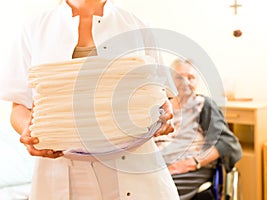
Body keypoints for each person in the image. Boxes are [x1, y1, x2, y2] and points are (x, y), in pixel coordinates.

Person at [0, 0, 180, 199]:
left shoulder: (137, 25)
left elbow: (162, 97)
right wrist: (28, 131)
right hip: (61, 169)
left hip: (135, 168)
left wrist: (164, 114)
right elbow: (19, 106)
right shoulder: (35, 29)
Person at [155, 59, 242, 200]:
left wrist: (191, 163)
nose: (185, 82)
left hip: (185, 172)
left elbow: (227, 142)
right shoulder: (160, 107)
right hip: (156, 168)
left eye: (191, 77)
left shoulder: (203, 105)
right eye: (179, 77)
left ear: (196, 82)